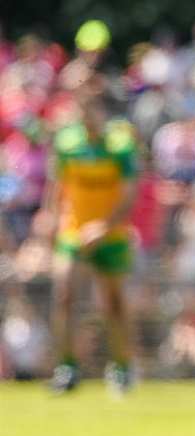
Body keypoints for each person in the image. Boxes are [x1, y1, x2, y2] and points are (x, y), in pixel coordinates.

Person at [35, 99, 139, 394]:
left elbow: (129, 195)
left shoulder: (120, 146)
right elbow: (57, 186)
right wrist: (49, 217)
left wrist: (104, 226)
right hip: (74, 232)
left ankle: (122, 367)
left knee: (113, 304)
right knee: (64, 293)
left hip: (112, 235)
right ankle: (66, 368)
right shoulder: (68, 143)